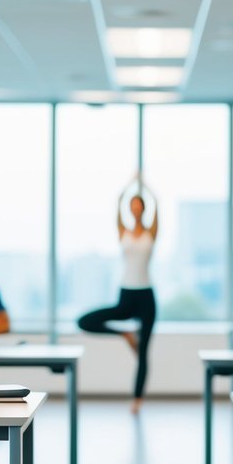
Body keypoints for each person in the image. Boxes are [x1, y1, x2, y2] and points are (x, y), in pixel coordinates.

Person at [78, 177, 158, 414]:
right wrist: (130, 186)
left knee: (143, 352)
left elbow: (157, 206)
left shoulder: (151, 232)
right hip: (126, 294)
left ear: (143, 209)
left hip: (147, 296)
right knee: (85, 321)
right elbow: (118, 202)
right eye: (132, 205)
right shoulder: (123, 230)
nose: (135, 209)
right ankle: (125, 333)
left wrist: (146, 186)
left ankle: (137, 399)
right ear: (129, 209)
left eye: (139, 205)